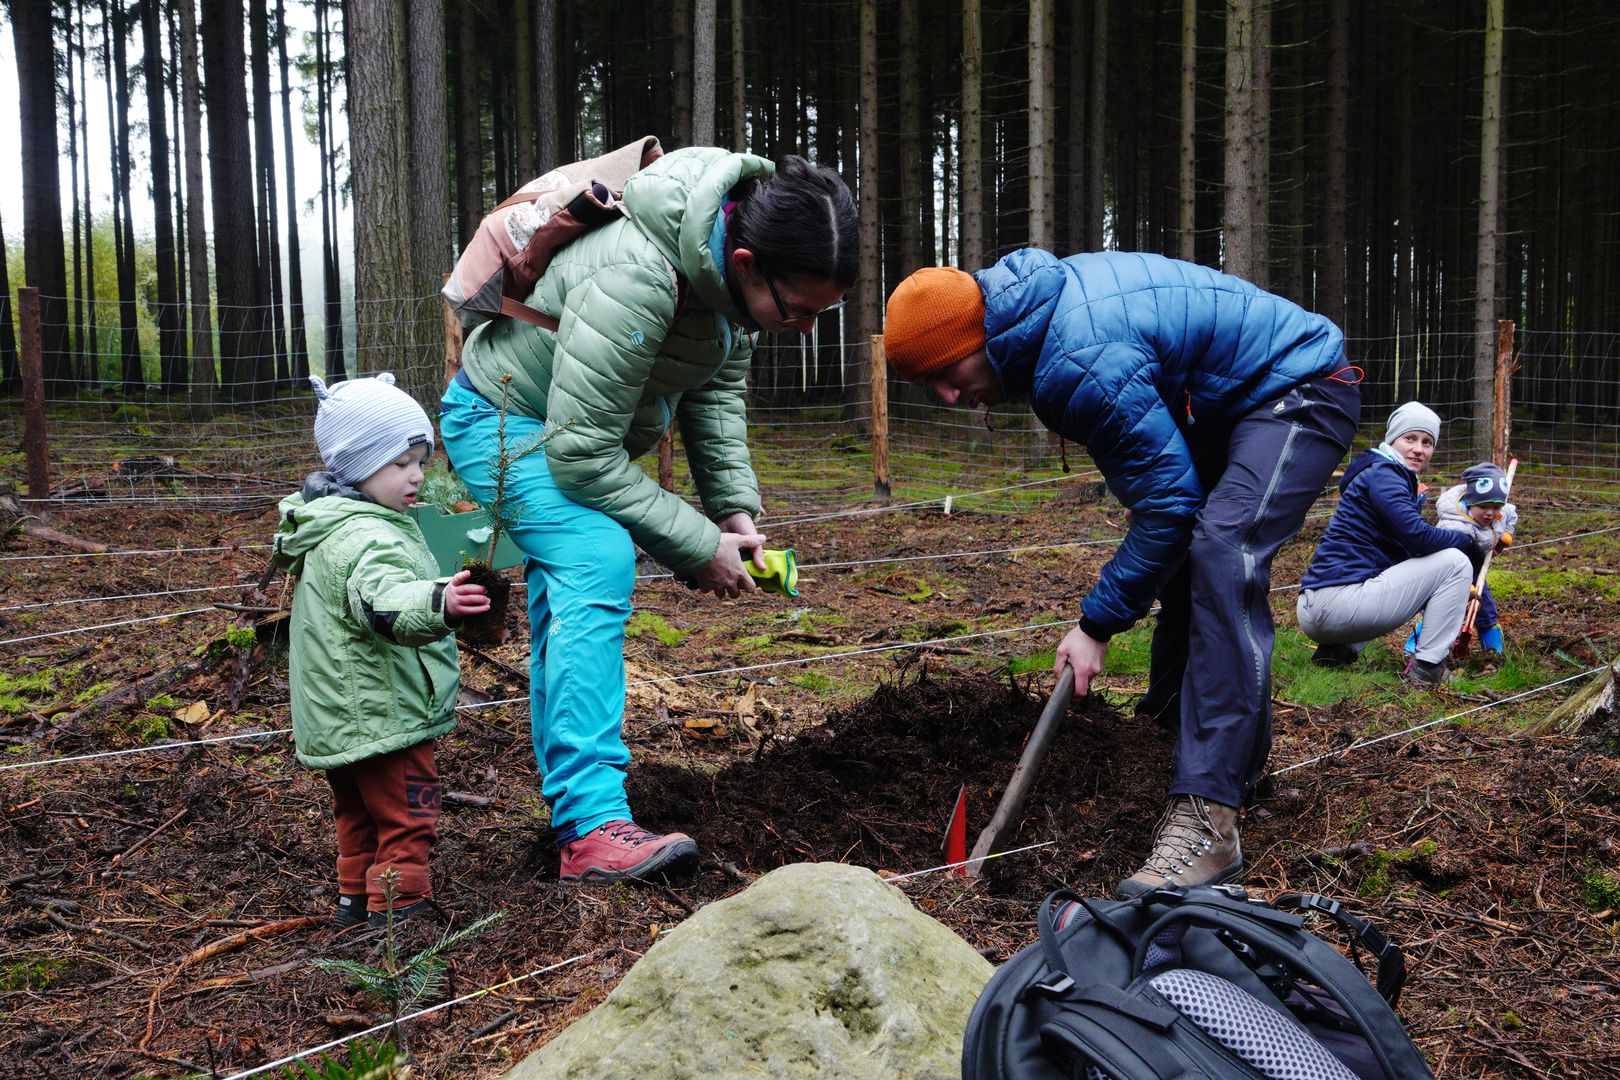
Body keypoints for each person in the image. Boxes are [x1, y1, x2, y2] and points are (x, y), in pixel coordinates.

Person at [881, 250, 1360, 899]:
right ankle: (1178, 747)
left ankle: (1208, 820)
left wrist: (1096, 624)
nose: (948, 396)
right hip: (1232, 402)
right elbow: (1167, 500)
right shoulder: (1043, 317)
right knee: (1196, 552)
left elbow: (1166, 507)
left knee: (1223, 548)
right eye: (926, 387)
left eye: (946, 372)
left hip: (1300, 386)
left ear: (977, 337)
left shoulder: (1073, 357)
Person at [439, 149, 858, 883]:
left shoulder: (724, 283)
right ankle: (591, 828)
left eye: (822, 315)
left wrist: (733, 514)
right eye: (798, 311)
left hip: (564, 431)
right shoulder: (638, 275)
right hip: (499, 418)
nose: (804, 329)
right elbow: (582, 458)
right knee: (594, 553)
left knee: (573, 575)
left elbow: (716, 392)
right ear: (748, 259)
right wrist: (697, 546)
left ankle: (575, 809)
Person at [274, 374, 490, 929]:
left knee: (358, 813)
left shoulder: (331, 523)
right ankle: (401, 918)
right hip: (382, 710)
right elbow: (384, 601)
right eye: (400, 463)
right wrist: (439, 600)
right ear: (357, 465)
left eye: (421, 459)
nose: (417, 474)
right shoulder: (368, 536)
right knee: (408, 814)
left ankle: (355, 901)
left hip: (342, 713)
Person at [1296, 402, 1488, 686]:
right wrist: (1468, 543)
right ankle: (1428, 667)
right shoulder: (1385, 475)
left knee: (1434, 568)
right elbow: (1418, 538)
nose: (1418, 449)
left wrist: (1454, 592)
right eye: (1409, 438)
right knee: (1456, 562)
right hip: (1337, 606)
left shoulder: (1379, 473)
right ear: (1391, 439)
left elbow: (1410, 555)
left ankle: (1336, 651)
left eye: (1427, 442)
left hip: (1320, 608)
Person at [1403, 461, 1517, 658]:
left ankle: (1492, 649)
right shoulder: (1456, 526)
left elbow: (1511, 514)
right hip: (1449, 572)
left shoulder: (1500, 512)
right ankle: (1417, 644)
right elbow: (1452, 556)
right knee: (1441, 608)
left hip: (1476, 569)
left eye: (1496, 506)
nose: (1491, 513)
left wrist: (1504, 537)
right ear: (1470, 502)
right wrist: (1465, 586)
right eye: (1484, 507)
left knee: (1485, 607)